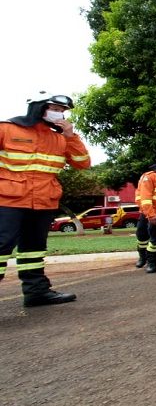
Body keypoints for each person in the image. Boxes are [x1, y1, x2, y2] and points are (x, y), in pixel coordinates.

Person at [0, 92, 90, 306]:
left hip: (44, 200)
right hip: (8, 199)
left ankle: (36, 292)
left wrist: (70, 135)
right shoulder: (7, 129)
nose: (59, 114)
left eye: (62, 111)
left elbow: (82, 162)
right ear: (38, 107)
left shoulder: (59, 137)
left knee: (34, 248)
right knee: (1, 246)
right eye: (55, 109)